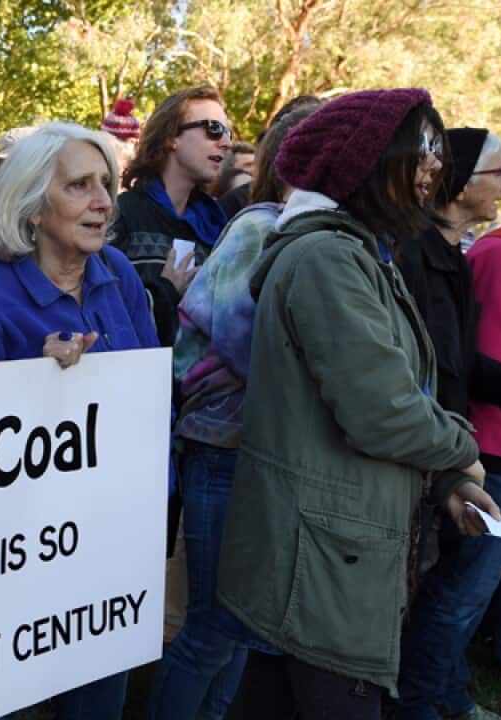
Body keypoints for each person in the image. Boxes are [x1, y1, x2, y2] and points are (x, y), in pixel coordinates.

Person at [215, 88, 500, 720]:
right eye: (421, 146)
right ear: (367, 161)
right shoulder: (328, 258)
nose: (435, 165)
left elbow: (399, 386)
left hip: (335, 544)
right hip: (323, 553)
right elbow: (383, 409)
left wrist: (448, 476)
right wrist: (466, 452)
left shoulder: (364, 251)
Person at [0, 122, 159, 720]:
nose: (102, 201)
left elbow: (146, 405)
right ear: (34, 205)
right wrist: (29, 386)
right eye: (79, 186)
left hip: (107, 552)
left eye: (106, 185)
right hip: (14, 568)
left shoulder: (121, 275)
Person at [147, 101, 321, 720]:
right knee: (211, 629)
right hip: (221, 448)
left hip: (263, 451)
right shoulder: (259, 228)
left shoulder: (311, 238)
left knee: (244, 627)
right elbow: (244, 339)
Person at [395, 128, 501, 720]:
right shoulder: (412, 254)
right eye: (498, 174)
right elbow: (427, 369)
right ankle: (416, 703)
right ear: (460, 181)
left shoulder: (455, 256)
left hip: (452, 453)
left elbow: (457, 364)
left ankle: (441, 697)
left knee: (449, 588)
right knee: (449, 594)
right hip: (432, 453)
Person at [107, 86, 233, 347]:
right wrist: (165, 291)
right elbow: (105, 314)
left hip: (199, 385)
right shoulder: (121, 215)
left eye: (227, 132)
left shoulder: (218, 227)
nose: (226, 142)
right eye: (213, 129)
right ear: (170, 137)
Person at [468, 222, 501, 664]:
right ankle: (431, 695)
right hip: (492, 451)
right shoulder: (496, 254)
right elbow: (485, 365)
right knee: (468, 588)